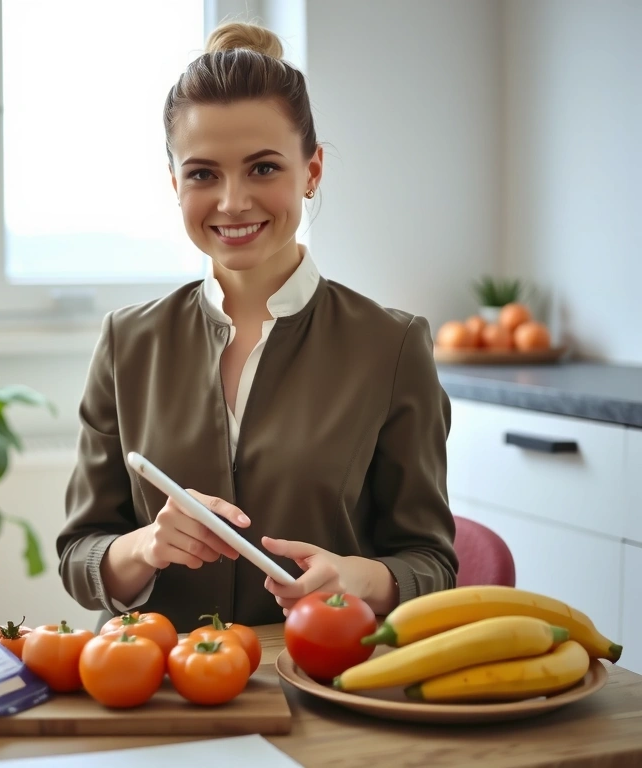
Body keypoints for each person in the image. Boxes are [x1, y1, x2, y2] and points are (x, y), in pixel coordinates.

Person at [56, 21, 458, 633]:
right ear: (175, 183)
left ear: (312, 171)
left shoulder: (392, 346)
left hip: (320, 676)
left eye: (264, 168)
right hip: (158, 675)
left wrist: (358, 578)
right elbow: (80, 555)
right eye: (203, 174)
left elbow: (432, 564)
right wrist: (146, 546)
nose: (232, 201)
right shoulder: (126, 342)